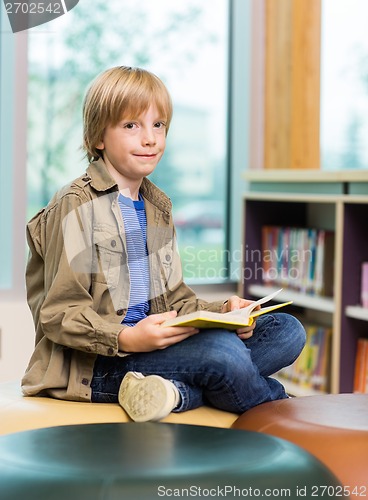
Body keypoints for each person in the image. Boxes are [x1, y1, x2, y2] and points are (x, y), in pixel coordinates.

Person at [22, 66, 306, 422]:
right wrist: (127, 338)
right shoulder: (76, 203)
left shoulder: (158, 206)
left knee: (287, 331)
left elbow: (176, 302)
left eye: (158, 125)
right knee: (224, 353)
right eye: (131, 126)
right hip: (100, 363)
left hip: (158, 349)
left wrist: (226, 312)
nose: (150, 139)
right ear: (98, 137)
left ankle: (172, 393)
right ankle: (273, 399)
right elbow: (59, 314)